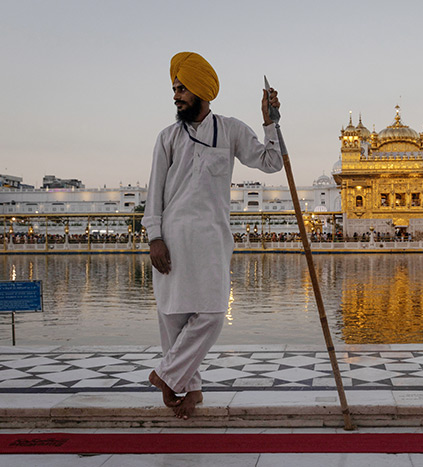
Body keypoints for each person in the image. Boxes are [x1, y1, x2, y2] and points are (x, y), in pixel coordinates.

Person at [142, 52, 283, 419]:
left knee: (214, 313)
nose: (176, 95)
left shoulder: (231, 129)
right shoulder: (167, 137)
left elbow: (271, 162)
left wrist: (271, 124)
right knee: (173, 316)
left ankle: (170, 375)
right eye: (174, 88)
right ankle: (191, 392)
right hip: (171, 238)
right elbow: (154, 191)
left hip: (211, 239)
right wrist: (154, 236)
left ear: (203, 91)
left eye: (182, 88)